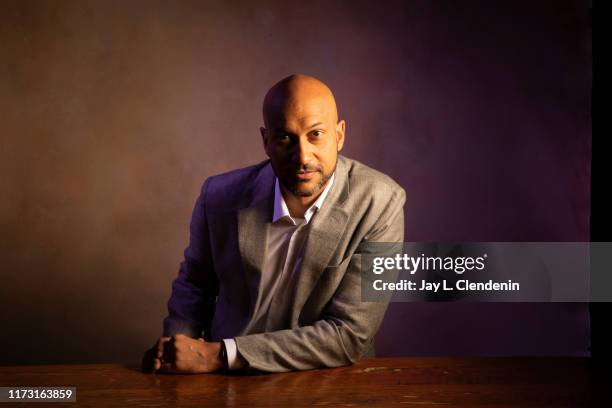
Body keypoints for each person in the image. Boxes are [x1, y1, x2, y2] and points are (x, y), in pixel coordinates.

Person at [142, 74, 405, 374]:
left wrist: (217, 355)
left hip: (329, 379)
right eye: (285, 138)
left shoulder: (380, 202)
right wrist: (178, 349)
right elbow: (195, 285)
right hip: (225, 381)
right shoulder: (218, 197)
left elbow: (349, 335)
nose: (302, 156)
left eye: (315, 134)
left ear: (340, 134)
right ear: (266, 141)